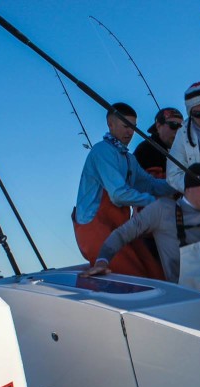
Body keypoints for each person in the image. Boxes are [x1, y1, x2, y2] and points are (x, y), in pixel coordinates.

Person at [82, 163, 200, 283]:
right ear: (188, 189)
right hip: (189, 296)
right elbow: (121, 234)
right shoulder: (162, 209)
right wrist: (102, 261)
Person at [72, 102, 175, 275]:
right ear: (110, 124)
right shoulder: (102, 151)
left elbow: (150, 184)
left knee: (154, 272)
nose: (130, 132)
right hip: (96, 228)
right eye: (125, 126)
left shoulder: (129, 159)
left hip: (119, 227)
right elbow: (118, 194)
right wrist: (155, 204)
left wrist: (181, 185)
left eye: (133, 127)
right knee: (133, 276)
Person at [134, 107, 184, 179]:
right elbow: (153, 182)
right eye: (174, 125)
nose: (178, 131)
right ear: (158, 126)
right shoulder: (147, 149)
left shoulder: (181, 151)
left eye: (182, 128)